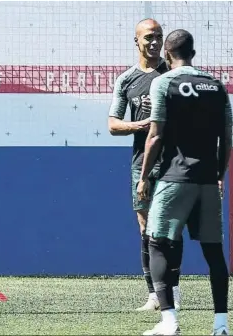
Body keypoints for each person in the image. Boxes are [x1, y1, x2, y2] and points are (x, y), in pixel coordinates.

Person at [138, 29, 231, 335]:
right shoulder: (216, 86)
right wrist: (218, 175)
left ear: (167, 53)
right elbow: (227, 138)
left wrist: (144, 177)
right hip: (207, 182)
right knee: (214, 252)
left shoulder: (164, 82)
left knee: (157, 243)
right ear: (193, 52)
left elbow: (156, 135)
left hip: (174, 179)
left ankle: (169, 322)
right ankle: (220, 325)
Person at [108, 18, 181, 312]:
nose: (154, 42)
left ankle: (173, 292)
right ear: (136, 41)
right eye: (148, 37)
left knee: (170, 228)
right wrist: (145, 125)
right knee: (146, 228)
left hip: (175, 161)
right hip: (142, 164)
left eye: (159, 37)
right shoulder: (127, 80)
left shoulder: (174, 75)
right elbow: (113, 125)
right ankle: (153, 294)